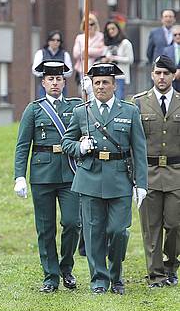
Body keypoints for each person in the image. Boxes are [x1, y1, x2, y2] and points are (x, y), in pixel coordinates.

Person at [61, 63, 148, 294]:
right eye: (96, 82)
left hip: (120, 178)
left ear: (114, 85)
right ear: (91, 85)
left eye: (105, 82)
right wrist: (80, 146)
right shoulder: (83, 111)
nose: (100, 87)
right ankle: (99, 279)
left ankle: (116, 274)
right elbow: (66, 142)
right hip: (90, 177)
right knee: (93, 232)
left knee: (119, 231)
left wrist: (142, 184)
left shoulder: (129, 111)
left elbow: (139, 150)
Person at [14, 62, 82, 292]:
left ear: (64, 82)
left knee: (73, 223)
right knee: (45, 228)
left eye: (59, 79)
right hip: (42, 174)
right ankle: (50, 276)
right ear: (43, 83)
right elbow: (23, 145)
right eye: (50, 79)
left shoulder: (76, 107)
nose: (55, 83)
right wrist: (19, 176)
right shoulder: (33, 110)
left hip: (70, 173)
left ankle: (66, 267)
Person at [134, 55, 180, 288]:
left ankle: (171, 266)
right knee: (150, 228)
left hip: (176, 173)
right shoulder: (139, 103)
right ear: (152, 75)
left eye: (166, 73)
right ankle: (156, 275)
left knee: (174, 225)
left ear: (174, 75)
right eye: (158, 73)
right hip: (148, 172)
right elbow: (133, 141)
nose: (162, 78)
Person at [31, 31, 73, 98]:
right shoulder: (41, 53)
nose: (55, 42)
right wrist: (47, 72)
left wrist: (58, 73)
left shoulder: (65, 54)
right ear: (48, 41)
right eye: (53, 40)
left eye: (58, 40)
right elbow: (35, 70)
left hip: (61, 89)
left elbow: (69, 72)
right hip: (44, 88)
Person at [102, 20, 134, 100]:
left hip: (121, 76)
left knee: (119, 100)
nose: (111, 31)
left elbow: (130, 59)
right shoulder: (108, 44)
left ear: (118, 29)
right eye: (109, 30)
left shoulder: (125, 43)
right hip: (109, 76)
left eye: (113, 28)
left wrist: (115, 58)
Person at [72, 14, 105, 78]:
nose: (89, 26)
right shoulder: (79, 37)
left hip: (97, 69)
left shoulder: (101, 36)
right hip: (82, 69)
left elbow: (102, 51)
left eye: (92, 24)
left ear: (95, 25)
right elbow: (75, 54)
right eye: (86, 24)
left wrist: (87, 51)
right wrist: (92, 52)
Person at [161, 25, 180, 92]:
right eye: (175, 35)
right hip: (172, 82)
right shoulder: (166, 50)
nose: (178, 36)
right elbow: (164, 65)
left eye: (179, 34)